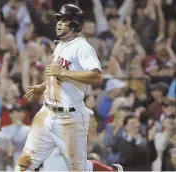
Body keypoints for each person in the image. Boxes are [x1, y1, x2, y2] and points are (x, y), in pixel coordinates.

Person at [15, 4, 123, 172]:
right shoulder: (60, 46)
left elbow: (96, 77)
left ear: (74, 24)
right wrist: (43, 87)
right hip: (47, 112)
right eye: (59, 19)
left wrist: (64, 72)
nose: (59, 23)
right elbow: (57, 76)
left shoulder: (83, 48)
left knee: (80, 169)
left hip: (70, 117)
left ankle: (112, 171)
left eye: (64, 20)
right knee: (24, 165)